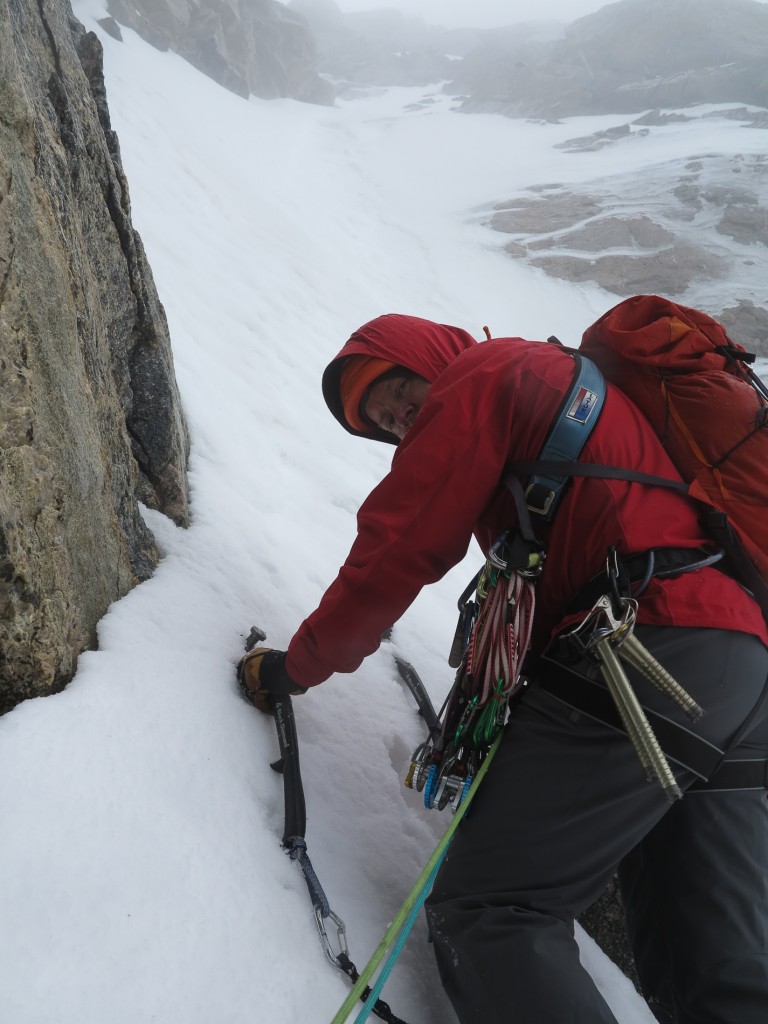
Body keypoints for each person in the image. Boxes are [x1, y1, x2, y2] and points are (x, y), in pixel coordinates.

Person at [239, 312, 768, 1023]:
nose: (397, 417)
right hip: (738, 671)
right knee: (718, 965)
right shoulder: (554, 383)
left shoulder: (483, 379)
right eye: (381, 421)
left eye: (394, 387)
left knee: (497, 910)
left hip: (646, 654)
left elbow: (395, 550)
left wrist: (291, 671)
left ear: (429, 354)